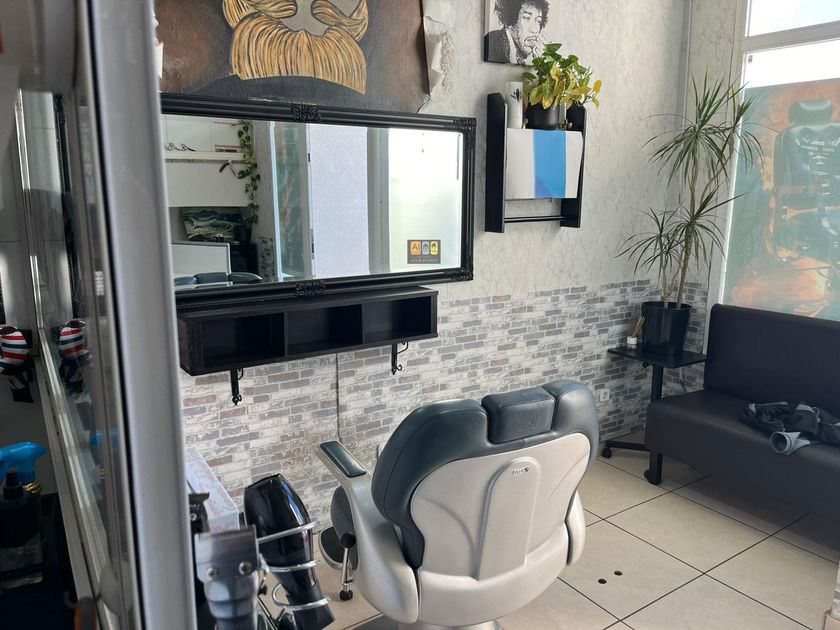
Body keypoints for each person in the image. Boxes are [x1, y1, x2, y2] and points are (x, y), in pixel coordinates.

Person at [485, 0, 549, 65]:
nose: (534, 30)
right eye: (526, 18)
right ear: (512, 18)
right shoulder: (492, 41)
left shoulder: (529, 53)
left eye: (538, 21)